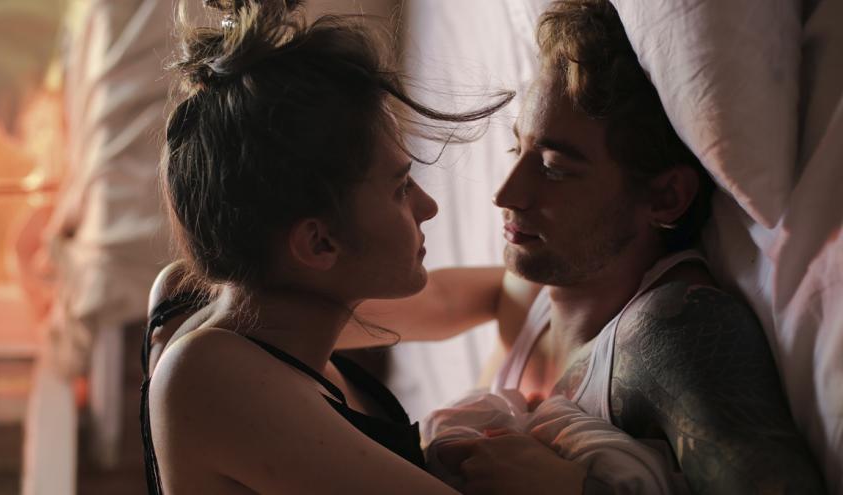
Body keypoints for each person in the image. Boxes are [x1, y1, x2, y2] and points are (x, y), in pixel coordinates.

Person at [336, 0, 827, 493]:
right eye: (517, 149)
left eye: (553, 169)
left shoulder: (672, 334)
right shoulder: (532, 288)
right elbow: (425, 302)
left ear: (666, 196)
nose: (505, 194)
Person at [139, 0, 592, 494]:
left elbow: (454, 300)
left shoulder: (221, 297)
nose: (428, 206)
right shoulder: (211, 378)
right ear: (319, 243)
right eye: (400, 189)